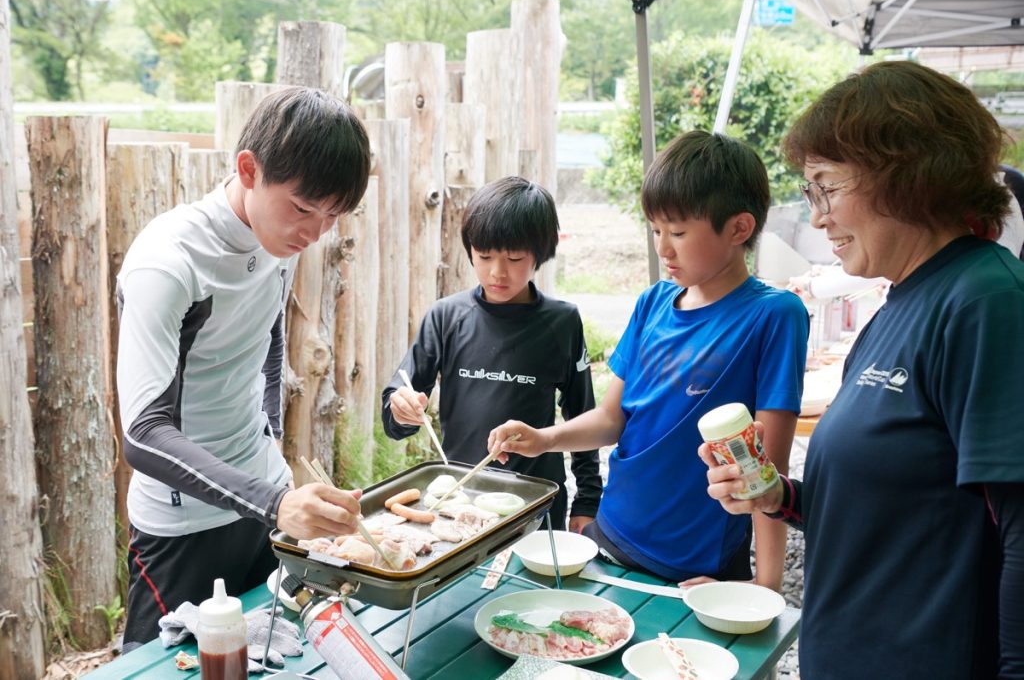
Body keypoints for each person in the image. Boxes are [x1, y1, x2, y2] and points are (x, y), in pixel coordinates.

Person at [701, 61, 1024, 679]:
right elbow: (884, 504)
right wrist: (777, 497)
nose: (817, 218)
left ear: (907, 173)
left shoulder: (985, 300)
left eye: (825, 185)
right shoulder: (898, 302)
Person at [488, 131, 808, 590]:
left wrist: (765, 586)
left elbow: (766, 472)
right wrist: (543, 439)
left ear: (739, 228)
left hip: (696, 566)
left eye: (678, 232)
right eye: (656, 230)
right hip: (612, 537)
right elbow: (612, 418)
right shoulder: (653, 303)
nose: (663, 248)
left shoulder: (773, 315)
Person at [116, 87, 372, 648]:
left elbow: (267, 338)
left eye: (333, 216)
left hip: (262, 492)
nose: (313, 233)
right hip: (182, 524)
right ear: (248, 169)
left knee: (279, 653)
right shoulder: (169, 261)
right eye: (304, 209)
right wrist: (274, 501)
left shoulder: (280, 235)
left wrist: (271, 450)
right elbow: (142, 434)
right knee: (170, 664)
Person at [381, 176, 602, 532]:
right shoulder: (446, 317)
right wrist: (401, 410)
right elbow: (396, 410)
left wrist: (587, 501)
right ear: (470, 250)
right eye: (484, 257)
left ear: (540, 255)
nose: (497, 272)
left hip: (537, 503)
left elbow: (583, 414)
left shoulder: (562, 322)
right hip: (458, 501)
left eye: (514, 258)